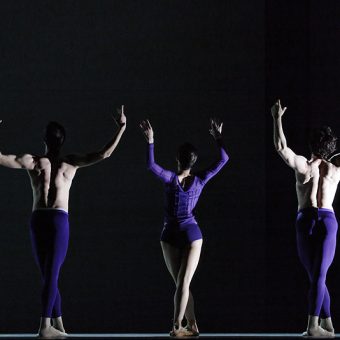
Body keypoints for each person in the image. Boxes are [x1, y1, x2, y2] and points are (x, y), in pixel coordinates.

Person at [0, 106, 126, 338]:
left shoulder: (34, 162)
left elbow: (2, 158)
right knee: (52, 274)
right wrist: (122, 128)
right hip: (58, 220)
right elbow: (104, 154)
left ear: (43, 140)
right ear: (63, 141)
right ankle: (44, 327)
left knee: (49, 274)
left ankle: (58, 323)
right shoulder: (70, 163)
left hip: (38, 220)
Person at [140, 118, 229, 337]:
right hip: (190, 232)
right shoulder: (200, 179)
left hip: (170, 234)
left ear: (177, 160)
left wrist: (151, 141)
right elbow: (224, 159)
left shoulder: (171, 179)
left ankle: (176, 326)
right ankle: (192, 325)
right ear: (193, 161)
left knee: (181, 283)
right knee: (183, 283)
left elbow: (152, 166)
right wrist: (218, 137)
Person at [271, 99, 340, 338]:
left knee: (316, 274)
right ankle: (325, 324)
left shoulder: (304, 166)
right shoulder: (335, 170)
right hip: (327, 220)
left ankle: (315, 325)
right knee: (318, 275)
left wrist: (277, 118)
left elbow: (281, 147)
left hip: (305, 220)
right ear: (331, 148)